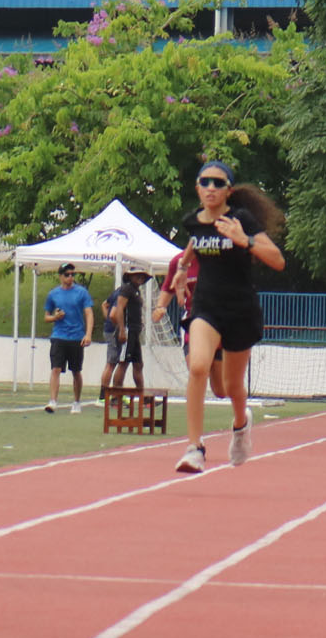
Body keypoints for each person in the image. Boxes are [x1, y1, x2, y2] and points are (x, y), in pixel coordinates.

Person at [173, 161, 285, 474]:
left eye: (218, 183)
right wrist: (182, 268)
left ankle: (240, 424)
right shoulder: (193, 221)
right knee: (197, 366)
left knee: (230, 386)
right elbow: (196, 241)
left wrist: (244, 240)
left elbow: (278, 261)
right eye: (205, 182)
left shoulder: (241, 220)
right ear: (197, 187)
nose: (211, 188)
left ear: (228, 190)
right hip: (206, 307)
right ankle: (194, 448)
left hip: (240, 310)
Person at [153, 249, 226, 400]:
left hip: (219, 322)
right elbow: (168, 287)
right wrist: (160, 307)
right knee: (196, 370)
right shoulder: (178, 261)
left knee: (220, 390)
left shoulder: (221, 256)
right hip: (193, 321)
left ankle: (240, 404)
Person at [43, 263, 94, 414]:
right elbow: (46, 317)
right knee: (56, 368)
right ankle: (53, 401)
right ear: (60, 276)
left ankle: (76, 402)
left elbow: (89, 313)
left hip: (76, 337)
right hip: (59, 336)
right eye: (67, 274)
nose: (70, 277)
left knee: (76, 371)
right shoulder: (53, 294)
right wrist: (55, 317)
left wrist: (88, 334)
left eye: (72, 274)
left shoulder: (81, 292)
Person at [109, 264, 153, 395]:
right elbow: (119, 309)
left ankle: (142, 395)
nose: (140, 278)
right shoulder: (126, 289)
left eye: (142, 276)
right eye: (137, 275)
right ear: (130, 276)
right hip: (127, 331)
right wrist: (122, 330)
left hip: (134, 332)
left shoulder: (136, 291)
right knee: (123, 363)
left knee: (138, 364)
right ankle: (116, 396)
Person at [98, 284, 122, 401]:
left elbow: (104, 304)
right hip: (113, 332)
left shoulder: (117, 291)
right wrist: (119, 327)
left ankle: (115, 395)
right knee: (111, 363)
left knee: (116, 362)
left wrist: (108, 320)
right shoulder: (122, 292)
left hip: (111, 330)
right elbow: (112, 314)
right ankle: (103, 396)